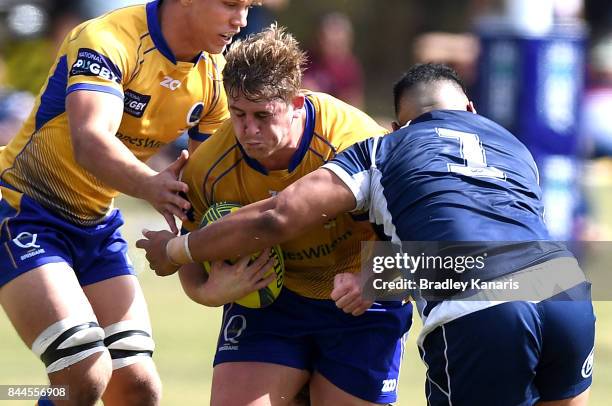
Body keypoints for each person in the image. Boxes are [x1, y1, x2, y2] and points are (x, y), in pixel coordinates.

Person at [138, 63, 596, 406]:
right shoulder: (514, 148)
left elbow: (277, 217)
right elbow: (476, 239)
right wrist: (374, 278)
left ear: (399, 126)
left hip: (480, 307)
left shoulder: (382, 149)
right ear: (471, 110)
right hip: (564, 293)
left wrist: (176, 250)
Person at [0, 1, 256, 405]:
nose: (240, 20)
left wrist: (204, 278)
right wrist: (151, 185)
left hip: (97, 226)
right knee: (82, 371)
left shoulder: (214, 77)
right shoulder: (107, 39)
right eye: (230, 3)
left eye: (247, 7)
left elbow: (204, 193)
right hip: (23, 211)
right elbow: (90, 140)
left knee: (138, 389)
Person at [149, 25, 410, 406]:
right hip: (273, 303)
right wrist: (207, 292)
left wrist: (373, 279)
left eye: (263, 115)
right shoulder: (209, 167)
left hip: (361, 301)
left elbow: (419, 246)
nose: (248, 130)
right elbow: (195, 253)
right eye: (238, 114)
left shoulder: (354, 142)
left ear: (296, 104)